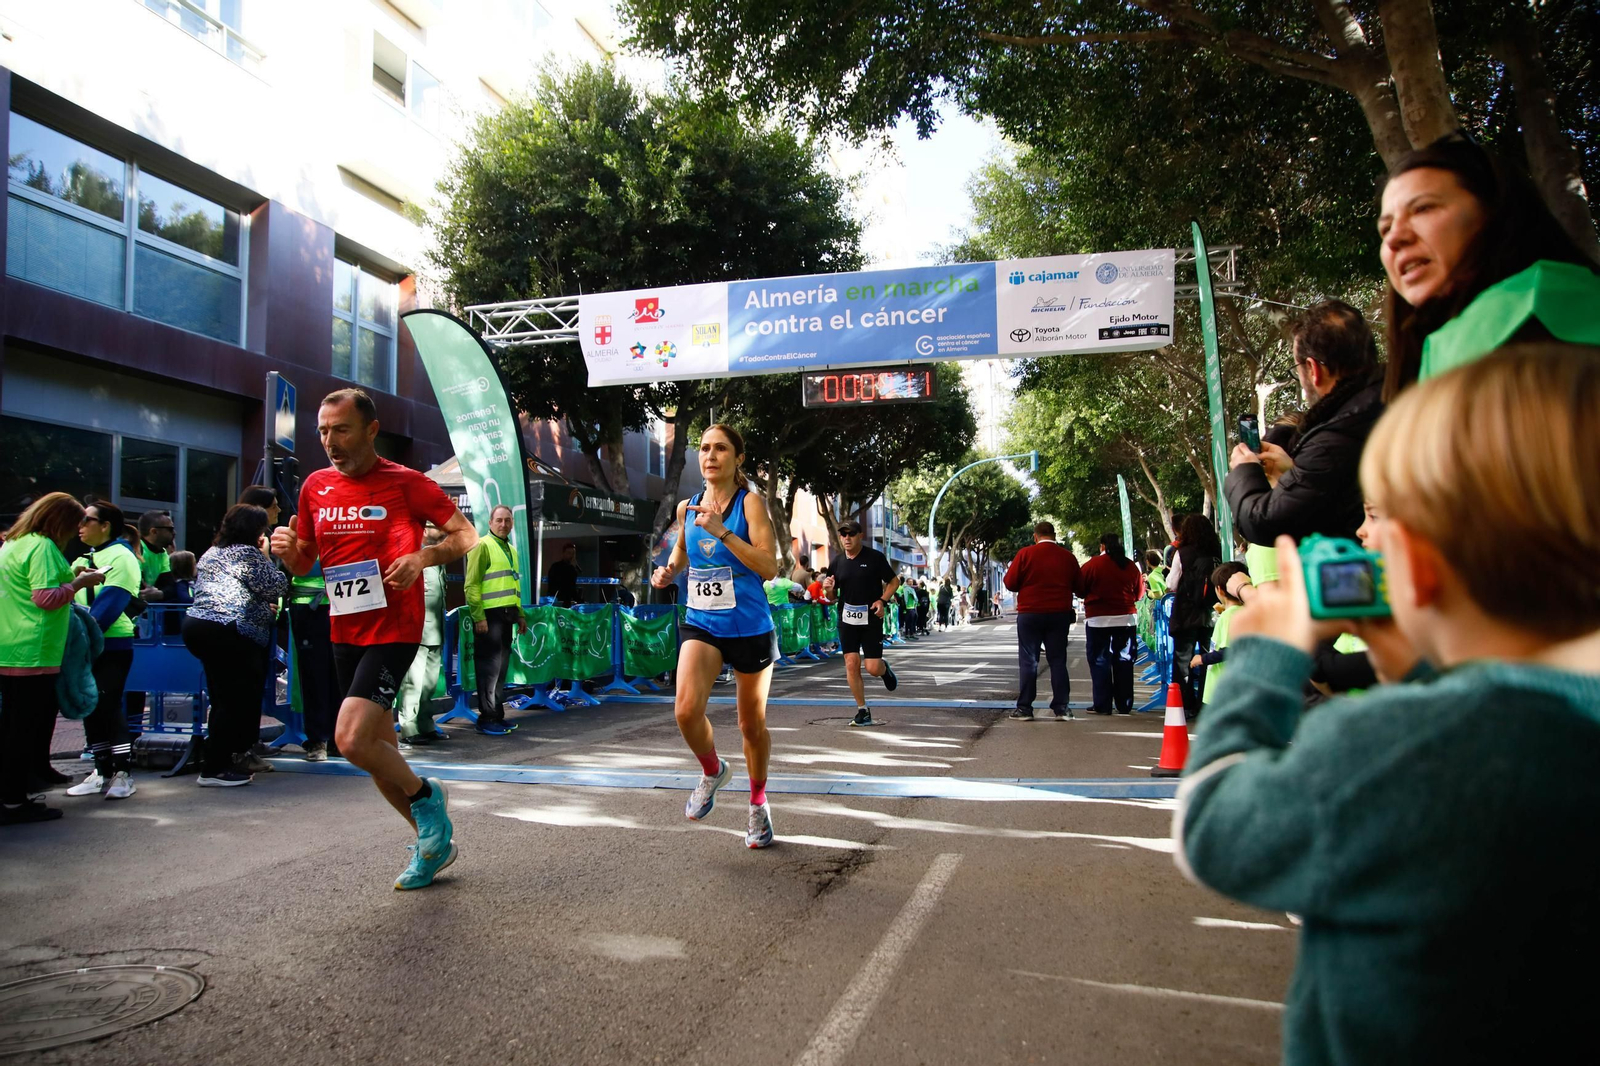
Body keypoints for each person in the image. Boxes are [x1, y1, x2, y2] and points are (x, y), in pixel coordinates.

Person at [1174, 343, 1600, 1064]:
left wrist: (1263, 655)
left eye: (1375, 516)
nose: (1362, 536)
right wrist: (1406, 656)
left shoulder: (1405, 745)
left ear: (1428, 557)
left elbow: (1216, 827)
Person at [271, 388, 477, 890]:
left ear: (370, 429)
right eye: (322, 431)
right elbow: (305, 560)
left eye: (341, 429)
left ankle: (427, 797)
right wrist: (285, 552)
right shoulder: (315, 487)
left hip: (395, 628)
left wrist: (421, 559)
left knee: (350, 739)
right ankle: (433, 844)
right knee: (377, 749)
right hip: (345, 627)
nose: (330, 441)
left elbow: (465, 534)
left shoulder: (407, 483)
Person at [1377, 133, 1600, 402]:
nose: (1394, 238)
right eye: (1385, 228)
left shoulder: (1536, 309)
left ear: (1494, 213)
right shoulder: (1437, 340)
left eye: (1423, 208)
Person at [650, 424, 780, 848]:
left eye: (721, 448)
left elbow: (769, 567)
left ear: (737, 458)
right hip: (702, 621)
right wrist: (668, 571)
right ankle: (712, 770)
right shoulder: (687, 508)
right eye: (704, 448)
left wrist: (724, 530)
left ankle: (758, 805)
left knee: (750, 724)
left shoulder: (751, 504)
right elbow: (683, 551)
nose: (710, 455)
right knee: (686, 711)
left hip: (749, 626)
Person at [1226, 301, 1385, 544]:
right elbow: (1333, 498)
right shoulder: (1391, 403)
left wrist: (1244, 471)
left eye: (1297, 368)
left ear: (1313, 369)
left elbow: (1265, 521)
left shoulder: (1334, 439)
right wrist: (1294, 472)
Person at [0, 493, 105, 824]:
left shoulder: (15, 543)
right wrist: (80, 582)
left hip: (11, 645)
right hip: (36, 649)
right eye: (74, 523)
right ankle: (15, 801)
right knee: (24, 729)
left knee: (12, 726)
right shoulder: (43, 547)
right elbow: (46, 598)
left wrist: (70, 575)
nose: (76, 530)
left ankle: (13, 795)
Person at [182, 504, 288, 786]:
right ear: (255, 530)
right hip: (228, 631)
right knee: (233, 700)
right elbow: (275, 586)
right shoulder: (247, 553)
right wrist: (267, 556)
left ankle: (221, 761)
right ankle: (214, 768)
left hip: (198, 626)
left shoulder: (212, 553)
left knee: (221, 699)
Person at [62, 501, 141, 801]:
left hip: (112, 642)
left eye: (86, 520)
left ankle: (122, 772)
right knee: (90, 705)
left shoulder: (122, 557)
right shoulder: (84, 557)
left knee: (108, 703)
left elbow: (109, 605)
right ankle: (101, 770)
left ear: (105, 525)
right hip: (84, 643)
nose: (79, 526)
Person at [822, 519, 900, 728]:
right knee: (851, 663)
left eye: (851, 534)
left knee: (872, 667)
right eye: (843, 534)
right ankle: (862, 710)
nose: (847, 538)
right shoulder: (837, 562)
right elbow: (831, 597)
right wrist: (828, 588)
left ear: (859, 536)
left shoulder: (874, 558)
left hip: (871, 618)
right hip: (847, 618)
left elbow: (894, 582)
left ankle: (884, 670)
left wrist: (882, 600)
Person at [1002, 520, 1080, 721]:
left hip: (1030, 614)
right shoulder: (1068, 557)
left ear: (1035, 536)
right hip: (1059, 614)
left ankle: (1025, 708)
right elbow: (1080, 587)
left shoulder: (1025, 554)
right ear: (1054, 536)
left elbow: (1010, 582)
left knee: (1029, 661)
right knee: (1058, 661)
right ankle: (1062, 708)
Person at [464, 504, 526, 736]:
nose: (503, 524)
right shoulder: (482, 545)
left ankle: (496, 715)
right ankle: (486, 718)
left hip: (507, 615)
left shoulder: (511, 549)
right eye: (499, 520)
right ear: (490, 523)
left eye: (507, 520)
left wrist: (520, 614)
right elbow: (471, 584)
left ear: (512, 523)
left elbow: (515, 586)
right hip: (489, 617)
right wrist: (479, 616)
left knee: (500, 670)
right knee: (488, 670)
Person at [397, 524, 449, 748]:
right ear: (425, 530)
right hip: (417, 629)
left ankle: (426, 724)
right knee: (413, 681)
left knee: (429, 682)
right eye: (436, 526)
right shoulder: (413, 557)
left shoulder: (436, 558)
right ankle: (409, 727)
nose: (442, 529)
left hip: (435, 629)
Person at [1080, 533, 1143, 716]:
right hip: (1126, 619)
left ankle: (1102, 705)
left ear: (1102, 547)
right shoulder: (1130, 566)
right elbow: (1139, 594)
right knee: (1124, 659)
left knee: (1099, 661)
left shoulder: (1093, 565)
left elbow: (1081, 589)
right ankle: (1124, 704)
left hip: (1098, 619)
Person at [1168, 513, 1220, 717]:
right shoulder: (1216, 552)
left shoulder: (1183, 552)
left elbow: (1172, 583)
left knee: (1183, 660)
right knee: (1208, 658)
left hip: (1186, 612)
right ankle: (1205, 704)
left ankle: (1184, 705)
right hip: (1210, 612)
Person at [1189, 561, 1254, 707]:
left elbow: (1230, 650)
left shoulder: (1229, 616)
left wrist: (1202, 658)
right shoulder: (1243, 612)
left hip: (1223, 689)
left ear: (1220, 590)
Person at [547, 542, 579, 607]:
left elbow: (573, 586)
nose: (571, 556)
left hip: (569, 601)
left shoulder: (573, 569)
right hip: (558, 600)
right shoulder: (556, 567)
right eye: (569, 553)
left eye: (573, 553)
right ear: (563, 553)